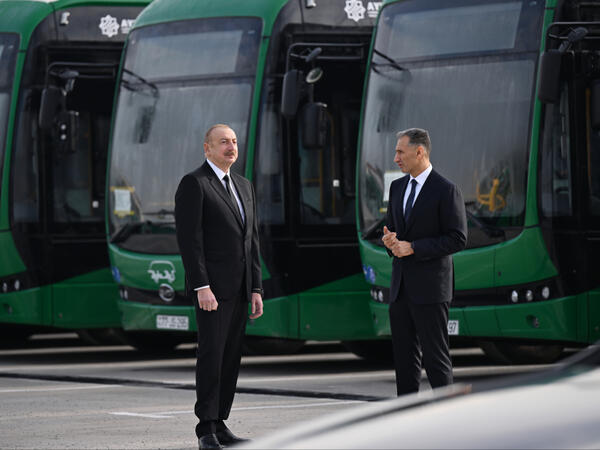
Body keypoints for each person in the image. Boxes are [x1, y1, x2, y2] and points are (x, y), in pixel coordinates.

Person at [175, 124, 263, 449]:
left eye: (234, 141)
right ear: (207, 148)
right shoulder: (195, 184)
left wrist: (256, 288)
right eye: (223, 142)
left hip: (241, 289)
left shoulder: (244, 185)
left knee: (230, 357)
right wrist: (201, 285)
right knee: (211, 355)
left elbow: (252, 241)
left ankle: (221, 421)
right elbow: (189, 241)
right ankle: (205, 429)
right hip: (211, 291)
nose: (231, 147)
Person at [381, 128, 467, 396]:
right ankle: (406, 418)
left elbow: (458, 238)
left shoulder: (446, 190)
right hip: (401, 288)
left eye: (400, 152)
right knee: (404, 361)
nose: (395, 158)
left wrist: (414, 248)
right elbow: (395, 232)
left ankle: (448, 419)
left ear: (420, 152)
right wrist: (391, 244)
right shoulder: (397, 187)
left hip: (431, 289)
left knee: (435, 359)